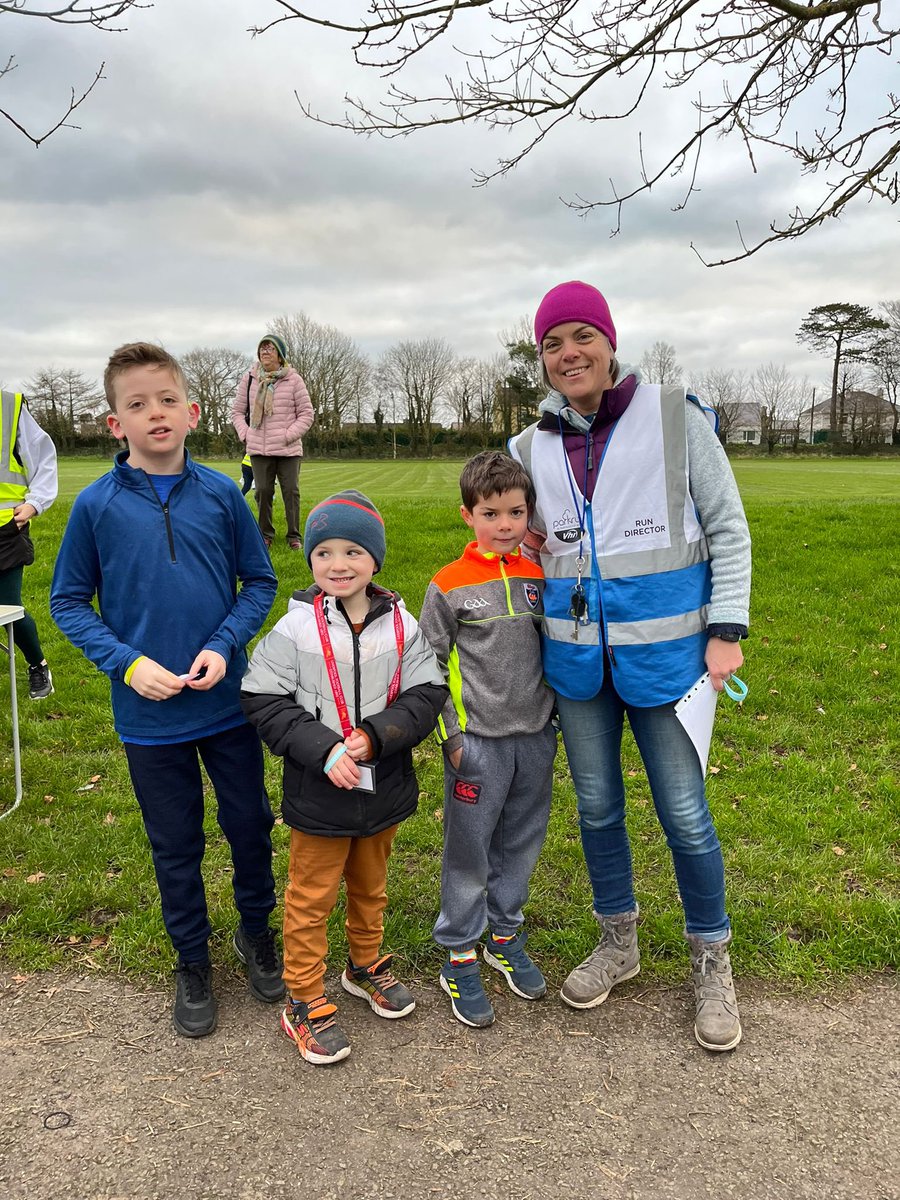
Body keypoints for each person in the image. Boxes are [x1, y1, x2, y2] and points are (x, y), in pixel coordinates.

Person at [509, 281, 751, 1052]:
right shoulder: (529, 448)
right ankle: (619, 941)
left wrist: (727, 631)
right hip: (578, 667)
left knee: (684, 815)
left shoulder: (677, 417)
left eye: (581, 336)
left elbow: (729, 529)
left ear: (609, 343)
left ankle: (712, 959)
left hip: (672, 660)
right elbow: (521, 543)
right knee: (599, 810)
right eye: (552, 343)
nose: (568, 353)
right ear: (542, 359)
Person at [51, 342, 282, 1039]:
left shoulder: (222, 494)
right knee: (174, 842)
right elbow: (67, 603)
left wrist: (222, 644)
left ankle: (255, 933)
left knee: (249, 825)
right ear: (114, 424)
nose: (154, 412)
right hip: (148, 720)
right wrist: (125, 663)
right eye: (136, 404)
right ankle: (191, 960)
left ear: (193, 410)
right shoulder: (95, 507)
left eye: (166, 400)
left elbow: (260, 581)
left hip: (227, 705)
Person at [241, 490, 447, 1066]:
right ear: (309, 562)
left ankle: (365, 965)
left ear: (374, 560)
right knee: (310, 899)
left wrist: (379, 735)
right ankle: (304, 997)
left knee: (370, 887)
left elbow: (428, 693)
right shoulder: (295, 628)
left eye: (353, 550)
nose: (338, 564)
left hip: (382, 788)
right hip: (319, 791)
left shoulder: (403, 625)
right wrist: (324, 747)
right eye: (324, 552)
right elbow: (261, 698)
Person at [418, 452, 557, 1029]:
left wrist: (555, 721)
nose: (505, 525)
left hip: (536, 737)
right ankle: (459, 950)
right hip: (477, 743)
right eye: (490, 513)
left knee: (522, 839)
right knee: (470, 847)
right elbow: (427, 663)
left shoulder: (537, 579)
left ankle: (504, 932)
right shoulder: (449, 586)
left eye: (516, 512)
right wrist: (452, 735)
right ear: (467, 516)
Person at [232, 334, 314, 551]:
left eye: (270, 348)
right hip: (258, 448)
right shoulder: (249, 379)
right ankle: (265, 535)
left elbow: (306, 414)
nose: (265, 352)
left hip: (288, 449)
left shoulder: (293, 380)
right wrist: (246, 434)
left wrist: (287, 435)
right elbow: (237, 412)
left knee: (291, 492)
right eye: (262, 348)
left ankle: (293, 536)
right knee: (263, 491)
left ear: (280, 355)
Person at [0, 389, 57, 700]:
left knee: (8, 607)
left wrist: (35, 503)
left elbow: (43, 457)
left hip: (6, 529)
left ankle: (38, 665)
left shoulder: (9, 406)